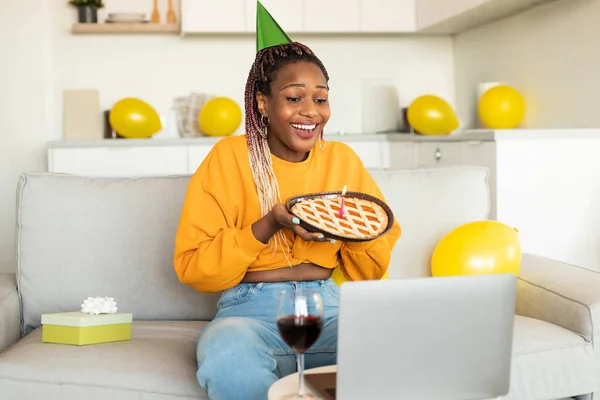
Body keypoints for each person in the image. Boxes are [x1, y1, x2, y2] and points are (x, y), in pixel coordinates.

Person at [174, 2, 401, 399]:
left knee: (396, 344)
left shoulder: (342, 160)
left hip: (330, 308)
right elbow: (195, 268)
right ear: (263, 103)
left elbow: (371, 271)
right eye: (294, 98)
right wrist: (270, 223)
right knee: (226, 354)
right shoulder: (228, 157)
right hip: (249, 312)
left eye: (320, 98)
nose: (310, 112)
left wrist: (344, 230)